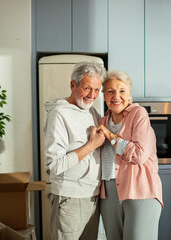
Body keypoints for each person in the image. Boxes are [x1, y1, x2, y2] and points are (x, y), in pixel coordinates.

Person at [43, 61, 106, 240]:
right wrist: (91, 145)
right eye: (87, 88)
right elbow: (54, 165)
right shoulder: (59, 115)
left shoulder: (91, 112)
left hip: (92, 196)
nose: (92, 95)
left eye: (96, 90)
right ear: (73, 85)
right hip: (70, 198)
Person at [98, 70, 163, 240]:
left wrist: (111, 137)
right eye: (110, 91)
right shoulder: (101, 122)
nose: (116, 96)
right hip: (109, 194)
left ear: (129, 95)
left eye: (122, 91)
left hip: (140, 190)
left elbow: (139, 155)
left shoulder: (138, 114)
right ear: (104, 95)